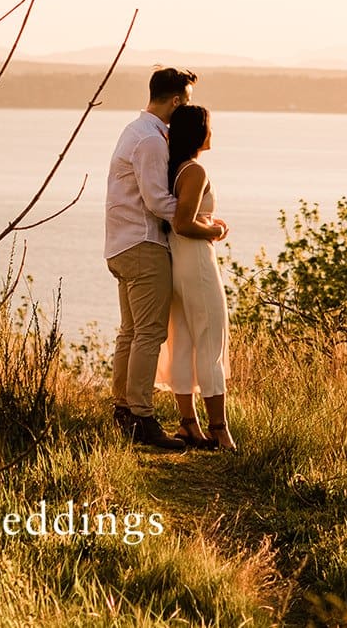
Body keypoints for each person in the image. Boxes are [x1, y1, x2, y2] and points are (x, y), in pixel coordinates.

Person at [103, 66, 227, 449]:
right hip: (142, 245)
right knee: (150, 334)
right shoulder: (152, 141)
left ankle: (123, 408)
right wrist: (200, 221)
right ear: (176, 100)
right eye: (185, 101)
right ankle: (141, 417)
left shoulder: (135, 131)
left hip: (121, 243)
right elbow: (158, 201)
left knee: (130, 332)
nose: (186, 109)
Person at [156, 104, 237, 451]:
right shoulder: (194, 171)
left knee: (184, 341)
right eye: (210, 126)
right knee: (210, 341)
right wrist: (214, 230)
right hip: (197, 263)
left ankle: (189, 424)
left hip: (178, 263)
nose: (213, 133)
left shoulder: (175, 170)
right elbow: (184, 222)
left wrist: (206, 225)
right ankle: (219, 428)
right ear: (198, 133)